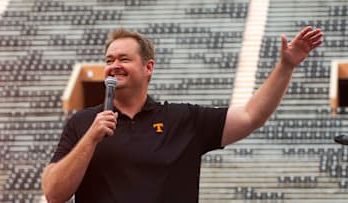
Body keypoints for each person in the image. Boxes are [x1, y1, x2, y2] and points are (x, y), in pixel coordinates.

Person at [41, 26, 324, 203]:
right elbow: (54, 193)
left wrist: (286, 67)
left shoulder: (183, 119)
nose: (114, 66)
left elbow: (251, 116)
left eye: (124, 59)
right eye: (109, 60)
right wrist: (90, 139)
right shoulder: (83, 123)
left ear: (148, 67)